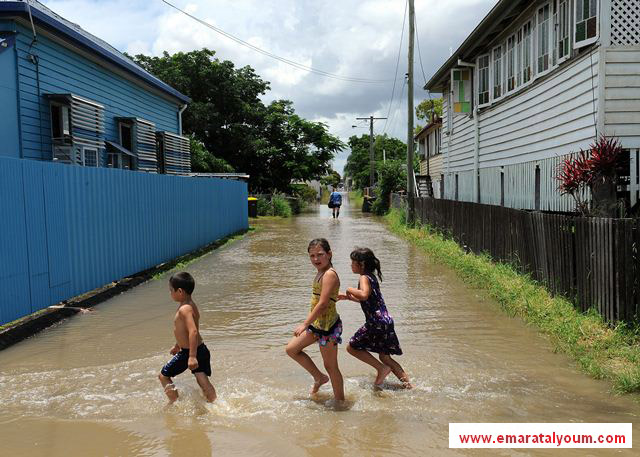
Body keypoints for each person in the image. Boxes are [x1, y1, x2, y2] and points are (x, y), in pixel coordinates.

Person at [338, 247, 413, 389]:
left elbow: (364, 294)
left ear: (362, 264)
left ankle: (381, 369)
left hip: (376, 322)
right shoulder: (372, 277)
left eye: (353, 262)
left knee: (352, 347)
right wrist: (348, 298)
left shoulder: (364, 277)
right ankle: (408, 386)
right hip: (386, 321)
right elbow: (369, 300)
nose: (351, 265)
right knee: (385, 357)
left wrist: (349, 289)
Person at [285, 238, 345, 402]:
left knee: (331, 366)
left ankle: (340, 402)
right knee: (291, 349)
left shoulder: (329, 274)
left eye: (320, 255)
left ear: (329, 254)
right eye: (312, 256)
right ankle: (319, 378)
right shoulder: (320, 272)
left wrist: (305, 324)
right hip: (317, 324)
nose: (316, 259)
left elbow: (323, 303)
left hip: (328, 328)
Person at [159, 272, 217, 404]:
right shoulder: (191, 305)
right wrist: (177, 345)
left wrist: (191, 356)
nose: (170, 293)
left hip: (190, 352)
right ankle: (214, 403)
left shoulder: (184, 309)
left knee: (163, 376)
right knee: (202, 379)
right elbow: (185, 331)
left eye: (170, 290)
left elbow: (193, 331)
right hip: (200, 349)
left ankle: (175, 403)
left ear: (179, 291)